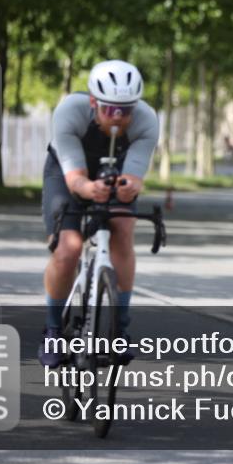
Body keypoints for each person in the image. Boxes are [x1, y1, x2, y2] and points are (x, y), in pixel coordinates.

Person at [38, 60, 158, 367]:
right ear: (93, 102)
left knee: (123, 230)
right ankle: (53, 330)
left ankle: (121, 328)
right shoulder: (69, 111)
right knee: (69, 248)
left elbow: (134, 174)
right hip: (67, 173)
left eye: (126, 110)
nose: (118, 118)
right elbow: (75, 178)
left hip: (112, 171)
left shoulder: (146, 120)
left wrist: (130, 186)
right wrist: (88, 189)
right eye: (109, 110)